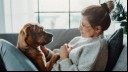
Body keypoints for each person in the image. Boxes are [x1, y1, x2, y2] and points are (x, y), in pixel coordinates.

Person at [0, 1, 114, 71]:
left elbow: (65, 61)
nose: (79, 28)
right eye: (80, 23)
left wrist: (64, 58)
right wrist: (48, 53)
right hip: (46, 67)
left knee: (1, 45)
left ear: (98, 29)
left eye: (83, 25)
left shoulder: (97, 47)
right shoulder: (82, 39)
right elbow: (59, 57)